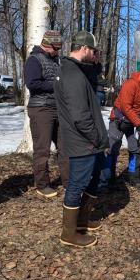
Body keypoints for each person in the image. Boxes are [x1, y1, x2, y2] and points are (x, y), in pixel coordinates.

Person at [55, 31, 109, 247]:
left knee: (93, 179)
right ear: (84, 48)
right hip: (82, 141)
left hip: (86, 141)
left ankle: (82, 222)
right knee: (76, 185)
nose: (95, 54)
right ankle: (69, 233)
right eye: (93, 50)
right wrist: (96, 138)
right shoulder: (72, 75)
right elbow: (80, 116)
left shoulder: (74, 70)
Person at [24, 29, 69, 198]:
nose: (58, 51)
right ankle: (42, 185)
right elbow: (33, 84)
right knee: (42, 150)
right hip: (41, 109)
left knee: (65, 147)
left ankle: (68, 181)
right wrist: (56, 84)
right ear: (47, 45)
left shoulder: (56, 60)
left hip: (58, 109)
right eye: (56, 48)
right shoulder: (33, 60)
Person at [102, 65, 140, 189]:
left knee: (135, 149)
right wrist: (138, 124)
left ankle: (133, 177)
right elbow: (125, 107)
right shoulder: (130, 84)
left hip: (134, 122)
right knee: (113, 148)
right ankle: (107, 178)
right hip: (119, 119)